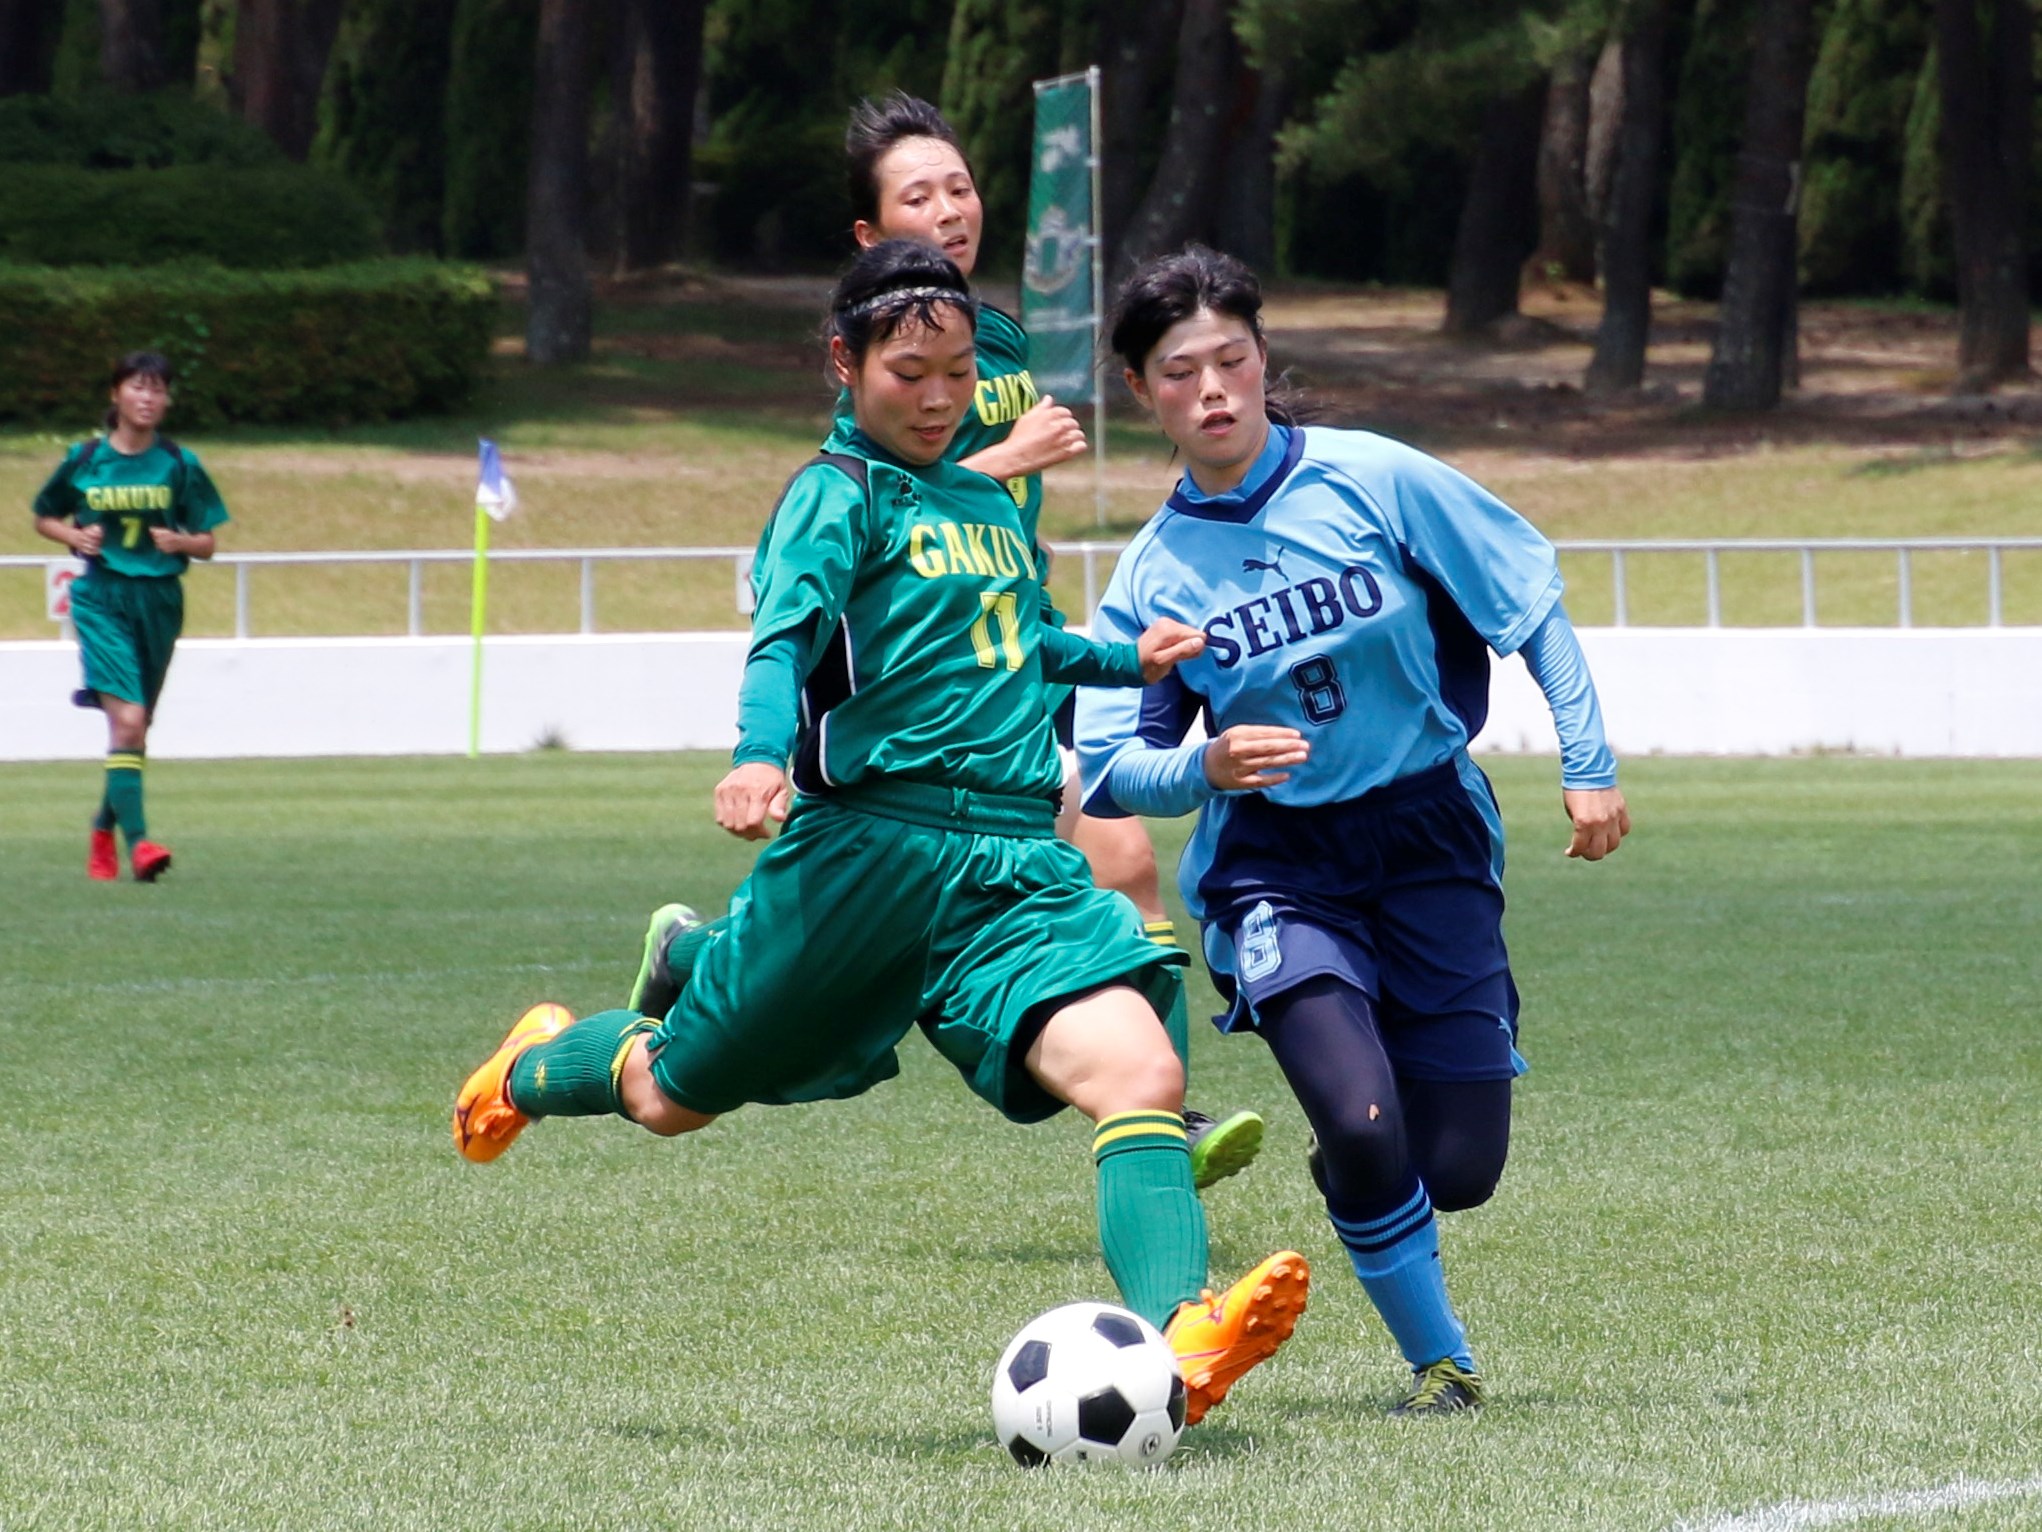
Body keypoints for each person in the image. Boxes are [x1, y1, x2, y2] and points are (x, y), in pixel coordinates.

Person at [453, 240, 1308, 1426]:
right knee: (670, 1094)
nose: (939, 396)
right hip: (863, 855)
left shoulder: (982, 499)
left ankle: (1179, 1337)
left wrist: (1127, 655)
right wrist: (759, 753)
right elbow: (784, 641)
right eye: (910, 371)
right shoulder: (831, 495)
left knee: (1140, 1069)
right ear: (843, 363)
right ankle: (535, 1062)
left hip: (1010, 861)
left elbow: (1020, 642)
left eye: (957, 372)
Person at [1076, 246, 1631, 1416]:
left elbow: (1530, 604)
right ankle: (1442, 1364)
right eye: (1180, 372)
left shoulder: (1374, 479)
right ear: (1142, 392)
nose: (1212, 389)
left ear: (1263, 357)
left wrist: (1586, 762)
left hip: (1429, 838)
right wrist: (1205, 761)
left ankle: (1360, 1177)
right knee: (1364, 1117)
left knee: (1461, 1166)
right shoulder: (1151, 578)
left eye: (1231, 359)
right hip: (1279, 866)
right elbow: (1112, 771)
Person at [812, 89, 1264, 1191]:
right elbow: (868, 501)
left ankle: (1166, 1103)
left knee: (1126, 860)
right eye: (915, 196)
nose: (949, 210)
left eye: (958, 186)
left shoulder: (996, 335)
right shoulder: (879, 353)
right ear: (871, 235)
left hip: (1015, 645)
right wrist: (1007, 459)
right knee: (836, 954)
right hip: (925, 675)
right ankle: (692, 961)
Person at [33, 351, 229, 883]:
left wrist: (181, 540)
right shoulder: (86, 457)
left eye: (158, 389)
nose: (148, 398)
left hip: (160, 600)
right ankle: (141, 846)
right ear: (116, 394)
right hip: (101, 598)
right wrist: (73, 535)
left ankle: (102, 829)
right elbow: (43, 515)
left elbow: (208, 542)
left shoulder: (179, 463)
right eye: (138, 387)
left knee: (135, 730)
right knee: (129, 720)